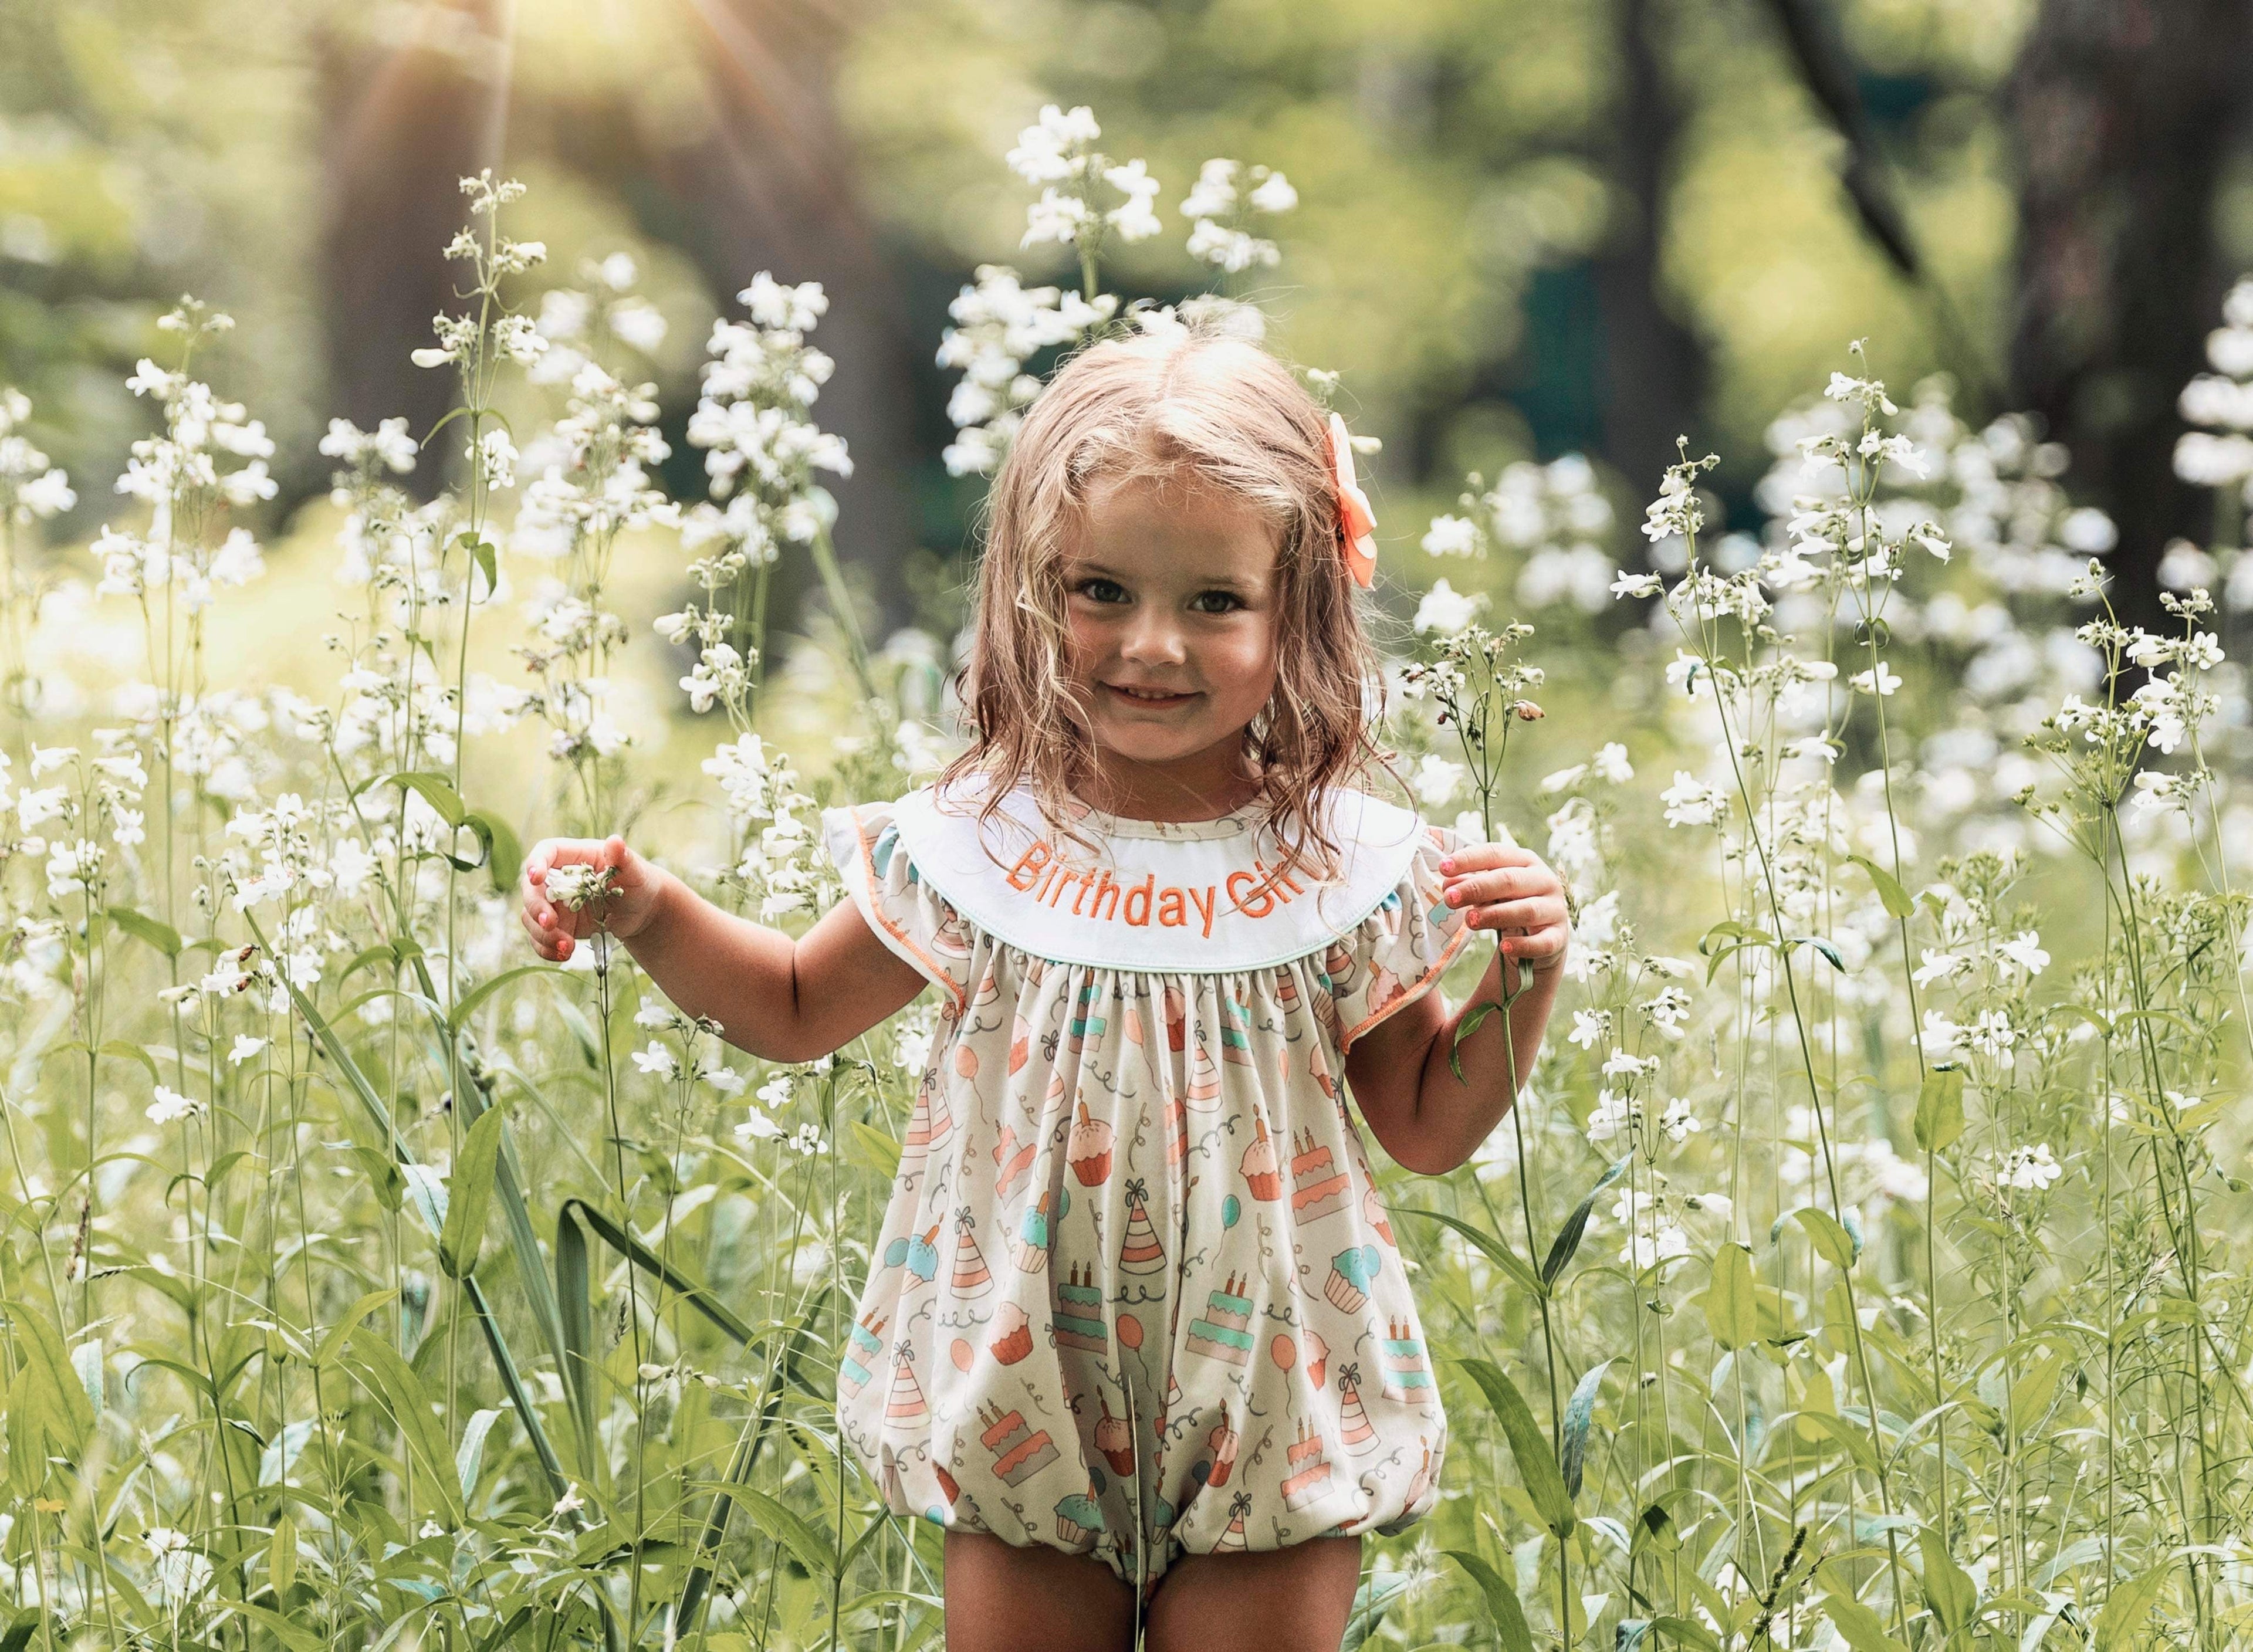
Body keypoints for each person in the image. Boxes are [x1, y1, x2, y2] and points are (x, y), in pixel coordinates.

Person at [517, 324, 1570, 1652]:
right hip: (1029, 1412)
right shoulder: (983, 844)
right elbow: (791, 1005)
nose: (1151, 645)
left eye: (1213, 602)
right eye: (1100, 590)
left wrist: (1521, 977)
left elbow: (1424, 1122)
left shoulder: (1331, 863)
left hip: (1269, 1413)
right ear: (1029, 585)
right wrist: (645, 905)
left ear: (1297, 605)